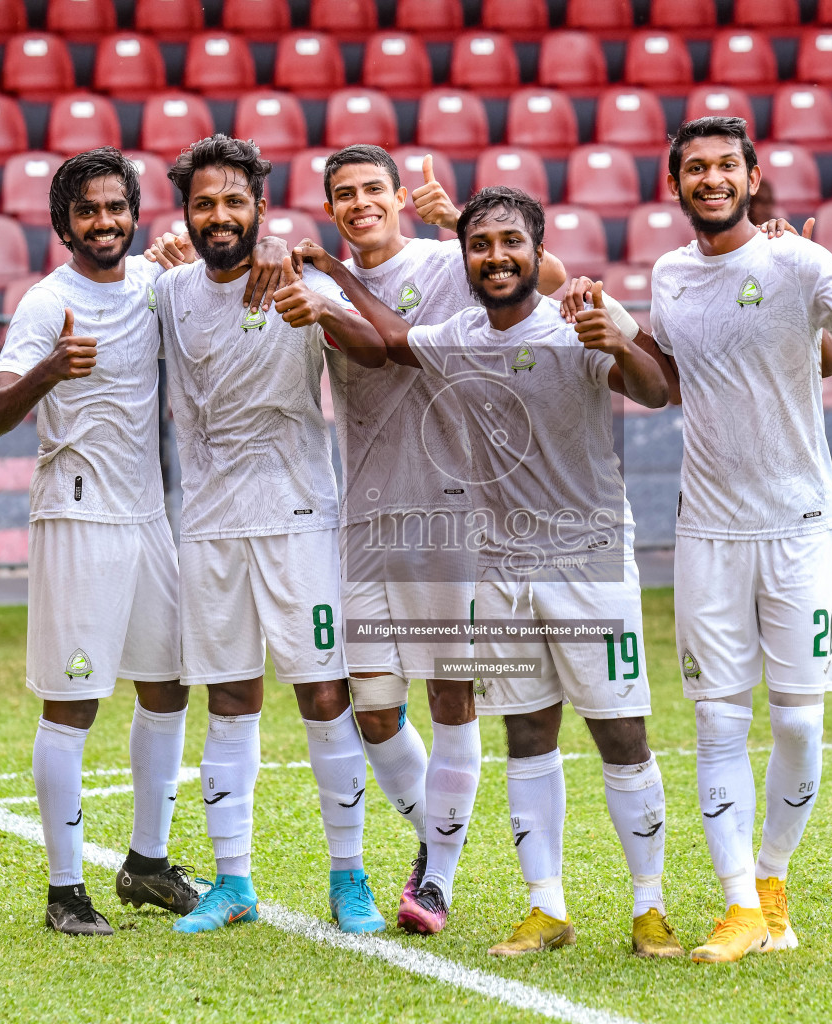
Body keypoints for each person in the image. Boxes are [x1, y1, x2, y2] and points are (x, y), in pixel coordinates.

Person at [321, 186, 684, 960]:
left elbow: (658, 390)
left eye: (510, 243)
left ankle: (650, 906)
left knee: (621, 732)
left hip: (587, 560)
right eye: (480, 246)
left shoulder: (576, 322)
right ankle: (544, 907)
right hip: (502, 563)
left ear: (536, 251)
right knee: (527, 734)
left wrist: (618, 338)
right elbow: (388, 339)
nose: (495, 257)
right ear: (465, 258)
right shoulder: (459, 334)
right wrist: (335, 272)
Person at [637, 116, 832, 962]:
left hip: (798, 526)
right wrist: (617, 339)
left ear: (753, 178)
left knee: (796, 724)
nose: (711, 179)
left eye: (726, 166)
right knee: (716, 719)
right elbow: (674, 382)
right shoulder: (669, 275)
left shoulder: (799, 261)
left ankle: (773, 875)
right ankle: (739, 905)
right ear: (672, 184)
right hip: (707, 529)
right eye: (695, 169)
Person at [289, 144, 566, 935]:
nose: (360, 203)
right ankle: (436, 832)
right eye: (343, 194)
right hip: (369, 516)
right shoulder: (314, 282)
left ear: (397, 195)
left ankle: (434, 877)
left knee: (452, 697)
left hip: (455, 510)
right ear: (333, 208)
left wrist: (461, 219)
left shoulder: (448, 261)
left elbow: (547, 284)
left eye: (373, 188)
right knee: (373, 705)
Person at [151, 135, 394, 936]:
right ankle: (233, 884)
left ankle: (349, 876)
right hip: (211, 526)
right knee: (229, 699)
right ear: (186, 215)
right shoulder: (169, 290)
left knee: (325, 696)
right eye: (202, 203)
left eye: (233, 201)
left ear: (261, 204)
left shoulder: (303, 275)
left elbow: (385, 352)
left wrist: (319, 295)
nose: (219, 216)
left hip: (298, 519)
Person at [0, 147, 196, 936]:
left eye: (115, 208)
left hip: (146, 518)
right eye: (88, 210)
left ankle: (146, 863)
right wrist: (49, 374)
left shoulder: (151, 283)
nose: (104, 222)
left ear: (134, 214)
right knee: (73, 704)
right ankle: (64, 893)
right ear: (62, 222)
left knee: (168, 685)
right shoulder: (45, 303)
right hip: (75, 516)